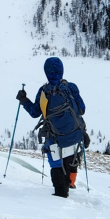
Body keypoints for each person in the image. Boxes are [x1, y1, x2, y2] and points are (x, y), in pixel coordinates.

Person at [18, 57, 87, 197]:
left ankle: (61, 193)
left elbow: (34, 113)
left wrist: (23, 99)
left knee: (56, 164)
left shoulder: (43, 92)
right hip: (74, 134)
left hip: (55, 138)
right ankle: (71, 183)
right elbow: (82, 109)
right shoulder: (71, 87)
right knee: (72, 157)